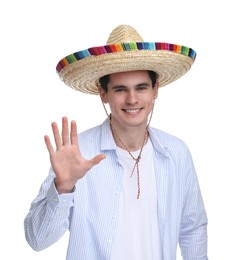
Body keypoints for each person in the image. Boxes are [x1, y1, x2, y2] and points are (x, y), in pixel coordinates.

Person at [24, 24, 208, 260]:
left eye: (141, 87)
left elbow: (193, 228)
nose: (132, 99)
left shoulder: (177, 152)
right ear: (104, 94)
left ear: (155, 90)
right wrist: (63, 187)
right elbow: (37, 240)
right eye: (120, 89)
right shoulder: (78, 152)